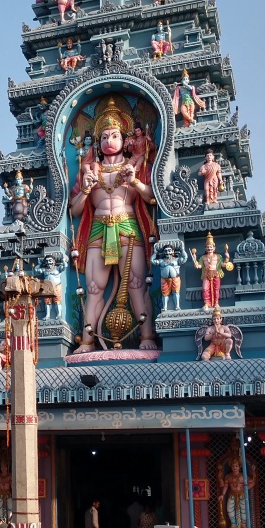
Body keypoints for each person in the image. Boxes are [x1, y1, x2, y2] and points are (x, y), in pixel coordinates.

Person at [69, 99, 159, 352]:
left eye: (115, 135)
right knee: (94, 288)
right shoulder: (88, 171)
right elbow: (74, 210)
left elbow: (152, 198)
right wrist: (86, 189)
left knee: (136, 285)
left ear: (125, 139)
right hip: (98, 229)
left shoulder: (136, 166)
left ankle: (147, 337)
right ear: (97, 142)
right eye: (105, 136)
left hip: (127, 228)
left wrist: (135, 182)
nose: (109, 140)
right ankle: (87, 341)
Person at [190, 233, 233, 311]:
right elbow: (199, 266)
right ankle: (206, 303)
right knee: (205, 288)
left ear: (214, 248)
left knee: (216, 289)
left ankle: (216, 303)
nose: (209, 248)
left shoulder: (218, 256)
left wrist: (227, 258)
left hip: (216, 274)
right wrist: (195, 260)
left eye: (211, 247)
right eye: (208, 247)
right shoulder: (203, 257)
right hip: (206, 274)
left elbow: (223, 265)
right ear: (205, 248)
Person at [151, 245, 187, 312]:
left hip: (175, 279)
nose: (167, 252)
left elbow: (185, 258)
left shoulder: (176, 260)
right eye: (166, 251)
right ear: (164, 252)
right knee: (164, 294)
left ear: (173, 251)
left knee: (176, 292)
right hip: (164, 280)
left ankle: (177, 306)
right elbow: (152, 261)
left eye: (169, 250)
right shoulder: (161, 261)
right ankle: (165, 307)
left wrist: (182, 250)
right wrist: (155, 253)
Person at [221, 457, 251, 528]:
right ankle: (233, 524)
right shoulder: (228, 476)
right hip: (232, 494)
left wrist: (246, 488)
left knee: (243, 509)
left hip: (242, 494)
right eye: (233, 466)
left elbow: (252, 482)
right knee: (229, 509)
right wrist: (223, 495)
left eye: (236, 466)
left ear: (239, 467)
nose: (235, 468)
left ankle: (243, 524)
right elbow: (226, 486)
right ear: (231, 467)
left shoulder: (243, 475)